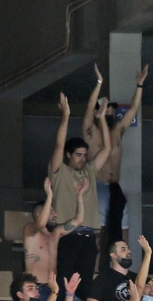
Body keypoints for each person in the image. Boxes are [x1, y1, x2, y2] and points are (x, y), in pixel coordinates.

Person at [47, 91, 113, 287]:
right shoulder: (59, 171)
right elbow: (59, 144)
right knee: (65, 284)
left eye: (85, 155)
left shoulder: (90, 171)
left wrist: (101, 119)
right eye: (78, 155)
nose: (83, 158)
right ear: (68, 155)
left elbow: (107, 149)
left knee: (85, 287)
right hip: (66, 235)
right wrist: (65, 116)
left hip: (90, 236)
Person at [85, 64, 147, 255]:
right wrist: (99, 83)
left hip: (115, 186)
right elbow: (88, 107)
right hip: (97, 185)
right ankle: (96, 269)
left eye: (111, 109)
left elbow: (134, 108)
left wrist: (139, 86)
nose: (110, 112)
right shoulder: (91, 132)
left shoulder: (117, 131)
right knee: (98, 233)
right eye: (105, 108)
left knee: (122, 230)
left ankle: (122, 268)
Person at [23, 177, 87, 285]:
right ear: (39, 214)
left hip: (52, 287)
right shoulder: (30, 230)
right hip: (35, 287)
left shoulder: (55, 233)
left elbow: (79, 220)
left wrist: (79, 196)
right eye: (51, 211)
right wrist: (49, 197)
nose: (55, 215)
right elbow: (41, 223)